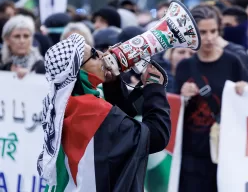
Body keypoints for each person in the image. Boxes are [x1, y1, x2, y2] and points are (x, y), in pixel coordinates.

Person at [37, 33, 171, 192]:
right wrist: (154, 87)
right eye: (94, 55)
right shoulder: (91, 111)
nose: (102, 55)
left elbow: (116, 129)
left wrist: (113, 83)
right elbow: (155, 137)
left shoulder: (68, 105)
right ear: (77, 71)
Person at [175, 5, 248, 192]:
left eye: (213, 31)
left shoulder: (233, 62)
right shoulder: (184, 66)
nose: (209, 37)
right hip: (191, 154)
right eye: (202, 32)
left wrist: (246, 90)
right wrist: (182, 96)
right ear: (192, 33)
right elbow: (174, 109)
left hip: (225, 153)